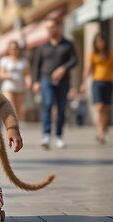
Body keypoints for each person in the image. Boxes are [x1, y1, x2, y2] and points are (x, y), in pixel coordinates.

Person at [32, 17, 77, 149]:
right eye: (48, 28)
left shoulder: (68, 44)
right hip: (46, 79)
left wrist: (63, 68)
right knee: (48, 104)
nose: (50, 30)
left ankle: (58, 136)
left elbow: (75, 60)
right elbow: (36, 65)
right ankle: (46, 135)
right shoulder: (42, 46)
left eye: (52, 27)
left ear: (58, 28)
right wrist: (35, 81)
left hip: (64, 81)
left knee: (61, 108)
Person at [80, 33, 113, 144]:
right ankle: (100, 132)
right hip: (97, 82)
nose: (100, 44)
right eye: (98, 42)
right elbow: (87, 69)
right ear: (95, 43)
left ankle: (104, 130)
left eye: (102, 41)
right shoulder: (92, 54)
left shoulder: (110, 55)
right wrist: (83, 83)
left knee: (105, 108)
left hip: (108, 82)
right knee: (99, 107)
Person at [0, 41, 32, 120]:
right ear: (9, 49)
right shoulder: (4, 60)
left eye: (15, 48)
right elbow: (0, 74)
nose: (14, 50)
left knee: (19, 109)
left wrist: (28, 81)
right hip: (8, 87)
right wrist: (7, 75)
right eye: (12, 48)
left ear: (18, 49)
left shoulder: (24, 61)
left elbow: (27, 74)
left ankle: (15, 125)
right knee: (11, 106)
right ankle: (9, 125)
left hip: (20, 87)